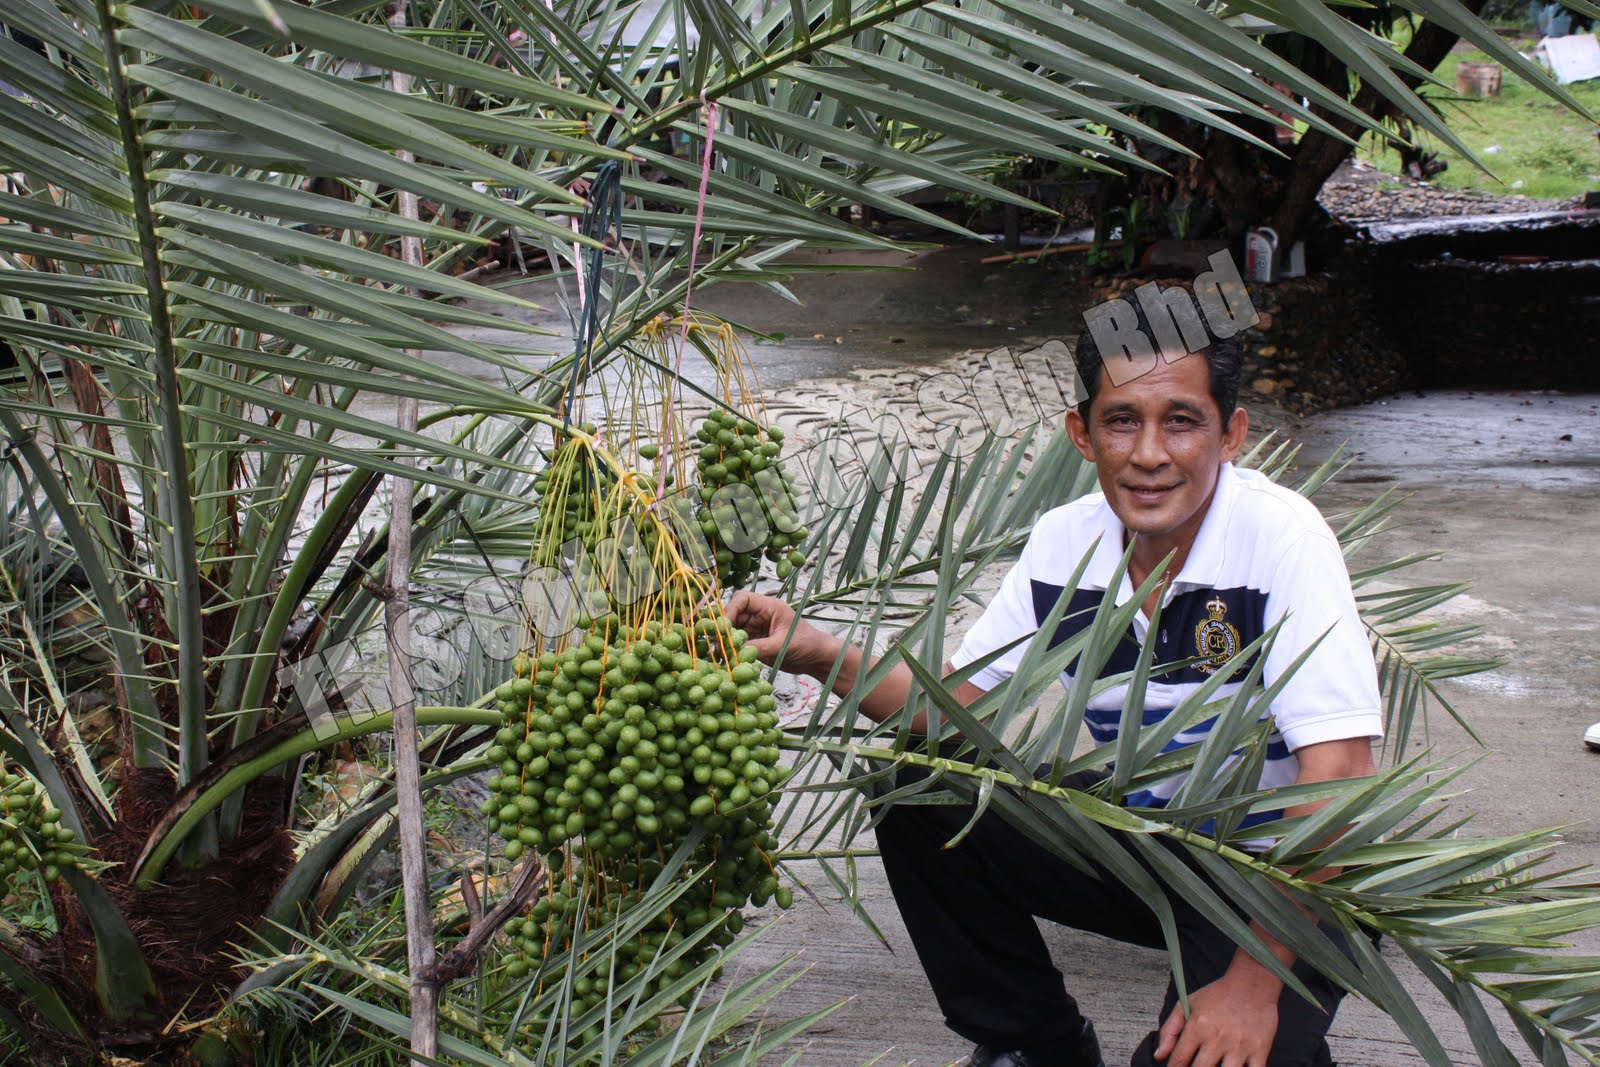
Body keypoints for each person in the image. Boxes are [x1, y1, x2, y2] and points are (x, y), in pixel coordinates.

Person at [728, 299, 1384, 1067]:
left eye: (1181, 420)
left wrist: (1252, 983)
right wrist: (814, 650)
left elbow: (1338, 777)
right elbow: (948, 710)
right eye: (1120, 420)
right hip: (1153, 848)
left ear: (1230, 433)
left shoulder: (1282, 538)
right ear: (1082, 433)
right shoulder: (1065, 542)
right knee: (920, 786)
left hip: (1282, 883)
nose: (1148, 453)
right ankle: (1034, 1044)